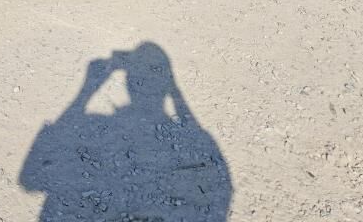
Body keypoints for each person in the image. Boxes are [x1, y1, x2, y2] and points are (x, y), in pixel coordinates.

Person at [20, 43, 231, 221]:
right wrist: (174, 90)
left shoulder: (95, 123)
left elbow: (29, 178)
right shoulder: (202, 138)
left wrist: (86, 91)